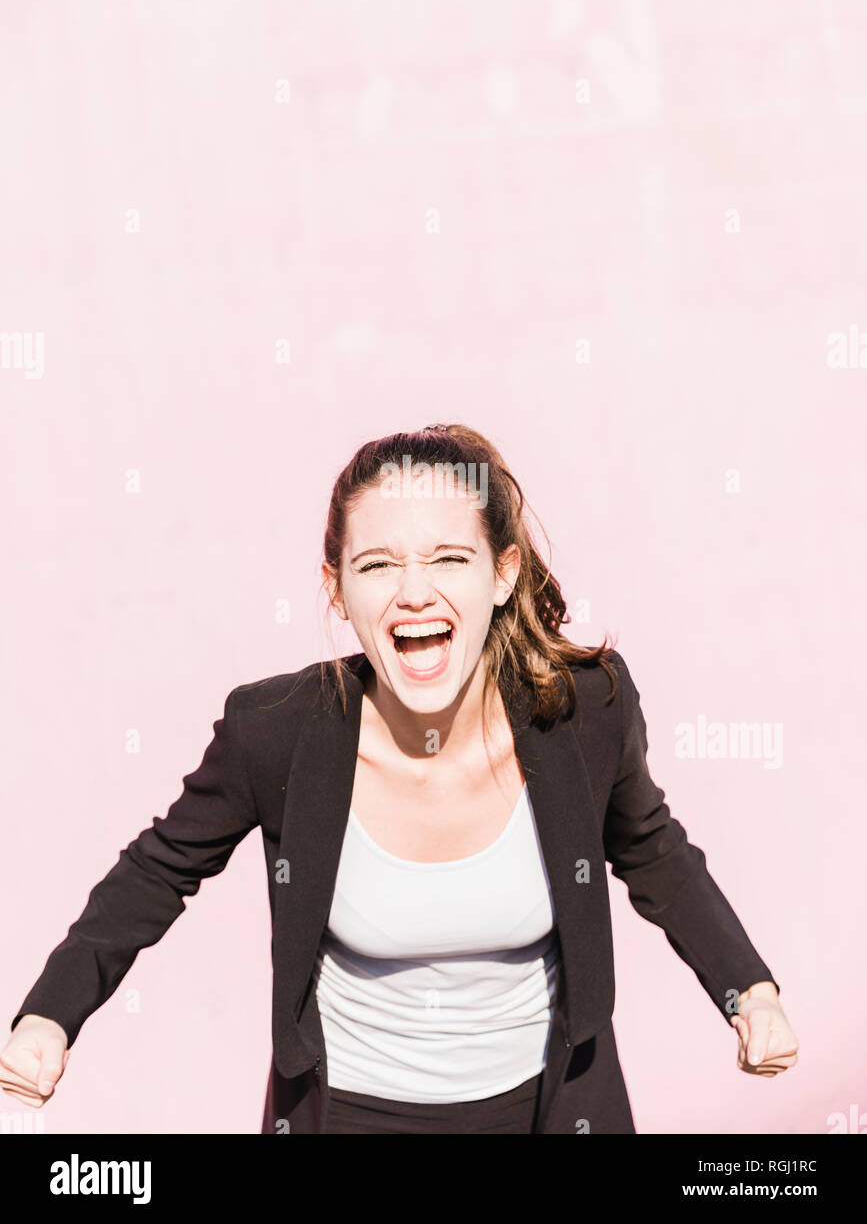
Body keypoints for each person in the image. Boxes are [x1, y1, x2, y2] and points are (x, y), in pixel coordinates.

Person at [2, 423, 798, 1132]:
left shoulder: (583, 711)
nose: (414, 592)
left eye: (449, 558)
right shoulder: (275, 731)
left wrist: (747, 992)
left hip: (555, 1106)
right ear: (337, 591)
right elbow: (157, 869)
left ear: (501, 574)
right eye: (377, 565)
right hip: (344, 1112)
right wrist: (48, 1016)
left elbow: (651, 849)